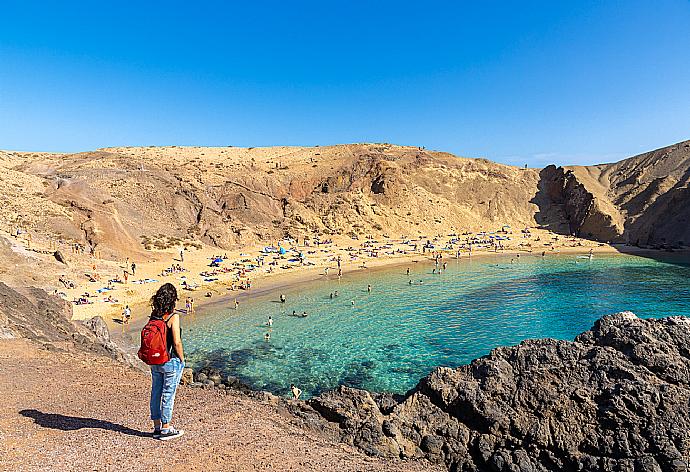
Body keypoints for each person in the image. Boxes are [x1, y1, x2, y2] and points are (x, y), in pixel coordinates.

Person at [148, 283, 185, 441]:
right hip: (169, 360)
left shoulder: (154, 315)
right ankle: (166, 427)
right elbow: (176, 342)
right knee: (168, 393)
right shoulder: (173, 317)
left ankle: (157, 427)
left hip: (155, 360)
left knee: (156, 392)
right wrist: (182, 359)